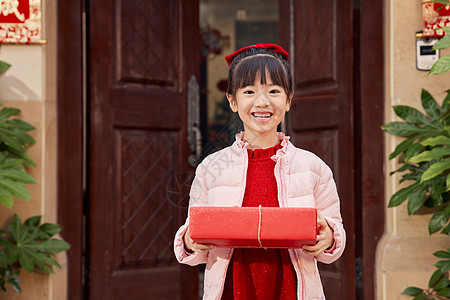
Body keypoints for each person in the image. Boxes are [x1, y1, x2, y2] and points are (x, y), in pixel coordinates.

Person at [174, 43, 345, 300]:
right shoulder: (210, 169)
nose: (262, 102)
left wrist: (330, 236)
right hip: (231, 288)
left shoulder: (313, 168)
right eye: (250, 91)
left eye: (274, 91)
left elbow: (333, 236)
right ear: (232, 100)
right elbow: (195, 242)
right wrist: (189, 241)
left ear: (288, 100)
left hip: (292, 288)